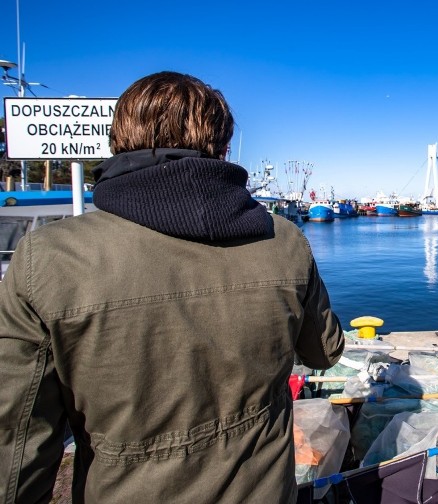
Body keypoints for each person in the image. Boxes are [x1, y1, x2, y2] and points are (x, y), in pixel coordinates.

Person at [0, 71, 345, 502]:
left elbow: (16, 443)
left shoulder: (46, 258)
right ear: (221, 148)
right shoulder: (282, 239)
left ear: (118, 143)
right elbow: (324, 351)